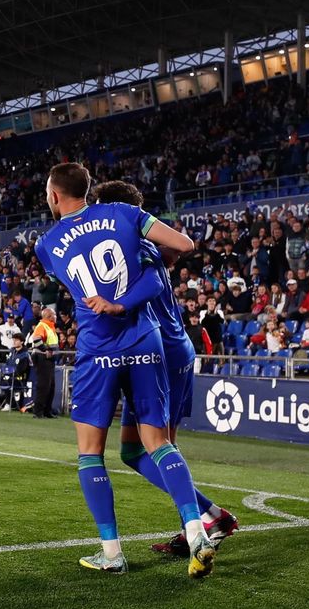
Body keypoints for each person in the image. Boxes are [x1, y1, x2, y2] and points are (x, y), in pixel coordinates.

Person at [34, 163, 215, 579]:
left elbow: (74, 277)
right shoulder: (126, 216)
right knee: (157, 443)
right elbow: (184, 245)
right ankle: (196, 530)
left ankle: (112, 552)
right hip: (146, 341)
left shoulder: (47, 244)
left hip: (98, 347)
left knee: (90, 452)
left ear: (55, 196)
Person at [90, 179, 238, 561]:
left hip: (160, 354)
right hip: (174, 348)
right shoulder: (146, 246)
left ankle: (210, 519)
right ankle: (204, 519)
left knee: (155, 447)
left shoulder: (127, 248)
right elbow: (174, 251)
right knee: (136, 450)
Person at [29, 305, 60, 418]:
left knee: (50, 386)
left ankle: (47, 411)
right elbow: (36, 339)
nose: (56, 316)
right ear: (49, 316)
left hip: (49, 359)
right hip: (43, 358)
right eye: (54, 315)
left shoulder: (49, 326)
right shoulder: (42, 326)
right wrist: (45, 350)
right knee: (43, 386)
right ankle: (38, 412)